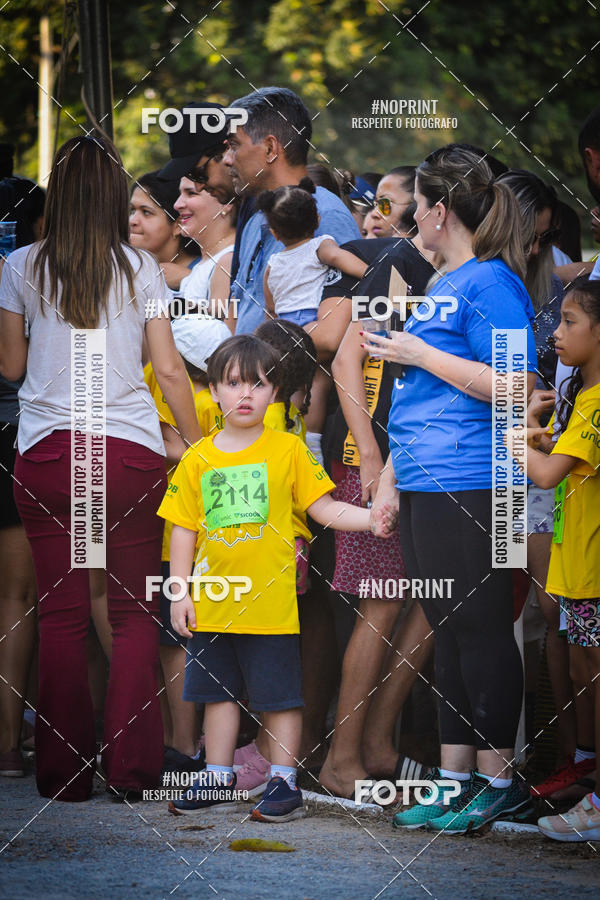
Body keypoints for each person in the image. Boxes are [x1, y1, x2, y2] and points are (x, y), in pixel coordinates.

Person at [0, 135, 201, 802]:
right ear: (115, 196)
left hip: (50, 455)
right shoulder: (141, 268)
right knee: (133, 615)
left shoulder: (20, 265)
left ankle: (63, 777)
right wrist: (197, 445)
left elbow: (11, 367)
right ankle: (133, 773)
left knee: (60, 616)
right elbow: (168, 369)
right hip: (127, 455)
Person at [366, 144, 538, 833]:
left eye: (415, 209)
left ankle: (499, 782)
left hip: (479, 481)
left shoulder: (492, 282)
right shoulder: (447, 282)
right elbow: (414, 399)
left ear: (440, 211)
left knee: (481, 627)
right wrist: (389, 481)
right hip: (426, 480)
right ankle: (454, 780)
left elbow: (517, 387)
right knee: (448, 628)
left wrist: (420, 352)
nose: (409, 222)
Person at [158, 335, 391, 821]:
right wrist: (179, 592)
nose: (245, 393)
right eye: (233, 383)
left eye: (258, 384)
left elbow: (324, 508)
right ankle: (217, 776)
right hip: (213, 604)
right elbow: (182, 529)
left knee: (280, 697)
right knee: (217, 694)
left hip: (272, 608)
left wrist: (370, 519)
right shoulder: (198, 457)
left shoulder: (289, 449)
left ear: (275, 393)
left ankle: (284, 783)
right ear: (213, 390)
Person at [317, 229, 437, 799]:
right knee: (383, 602)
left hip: (431, 463)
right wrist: (369, 454)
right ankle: (341, 760)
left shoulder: (472, 278)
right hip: (371, 459)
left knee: (433, 599)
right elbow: (346, 357)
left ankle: (378, 744)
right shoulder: (399, 264)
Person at [514, 277, 600, 842]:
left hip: (592, 566)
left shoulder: (596, 400)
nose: (557, 333)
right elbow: (565, 461)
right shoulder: (584, 399)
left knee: (593, 674)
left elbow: (545, 476)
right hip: (578, 564)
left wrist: (510, 433)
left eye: (570, 322)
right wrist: (541, 438)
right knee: (581, 671)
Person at [224, 86, 360, 334]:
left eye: (234, 145)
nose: (227, 159)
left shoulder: (326, 214)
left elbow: (339, 332)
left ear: (270, 148)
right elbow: (242, 309)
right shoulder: (256, 219)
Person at [0, 173, 45, 777]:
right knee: (16, 598)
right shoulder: (34, 272)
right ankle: (9, 742)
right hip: (18, 435)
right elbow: (17, 367)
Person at [259, 178, 367, 326]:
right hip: (314, 318)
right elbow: (336, 256)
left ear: (274, 233)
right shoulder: (319, 246)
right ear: (318, 220)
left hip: (284, 325)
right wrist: (371, 274)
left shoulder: (272, 265)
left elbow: (271, 309)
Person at [129, 171, 200, 290]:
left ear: (178, 225)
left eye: (146, 212)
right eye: (132, 211)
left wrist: (190, 279)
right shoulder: (127, 271)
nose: (132, 220)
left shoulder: (209, 271)